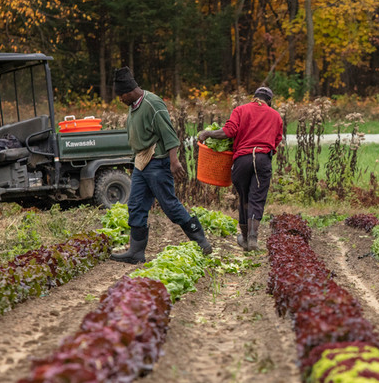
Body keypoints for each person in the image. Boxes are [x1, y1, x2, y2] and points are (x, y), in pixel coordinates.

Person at [110, 67, 211, 263]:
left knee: (170, 206)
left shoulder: (152, 103)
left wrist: (174, 161)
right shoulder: (133, 106)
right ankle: (136, 252)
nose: (120, 99)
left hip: (158, 163)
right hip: (142, 162)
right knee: (136, 205)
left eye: (121, 95)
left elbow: (169, 134)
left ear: (130, 90)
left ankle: (201, 242)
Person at [197, 85, 284, 251]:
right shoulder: (276, 116)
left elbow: (228, 132)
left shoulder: (240, 110)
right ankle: (252, 239)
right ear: (269, 101)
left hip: (242, 160)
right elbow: (277, 140)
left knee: (244, 198)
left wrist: (208, 133)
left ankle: (244, 238)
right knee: (257, 198)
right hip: (262, 158)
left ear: (254, 97)